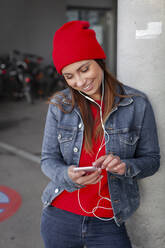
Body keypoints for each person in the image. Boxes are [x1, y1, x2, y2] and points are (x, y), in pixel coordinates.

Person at [40, 20, 160, 248]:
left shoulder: (137, 104)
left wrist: (125, 167)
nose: (80, 81)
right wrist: (67, 175)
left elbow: (152, 161)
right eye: (69, 76)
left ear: (100, 61)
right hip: (59, 216)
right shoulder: (59, 104)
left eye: (84, 69)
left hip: (107, 220)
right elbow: (47, 160)